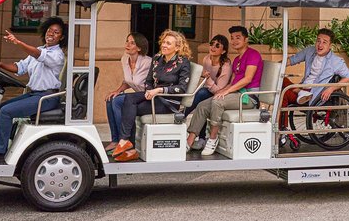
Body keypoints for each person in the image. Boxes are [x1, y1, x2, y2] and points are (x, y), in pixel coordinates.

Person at [0, 16, 67, 164]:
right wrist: (0, 65)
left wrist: (17, 42)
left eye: (56, 32)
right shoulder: (40, 50)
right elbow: (19, 67)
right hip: (34, 94)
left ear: (61, 37)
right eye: (49, 31)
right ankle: (5, 145)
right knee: (1, 107)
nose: (51, 34)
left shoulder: (57, 55)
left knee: (6, 112)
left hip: (47, 98)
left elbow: (38, 55)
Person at [112, 30, 193, 162]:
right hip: (153, 97)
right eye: (164, 42)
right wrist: (149, 91)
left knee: (129, 109)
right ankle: (125, 142)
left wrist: (158, 90)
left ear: (177, 47)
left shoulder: (183, 62)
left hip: (168, 102)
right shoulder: (157, 59)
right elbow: (148, 81)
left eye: (168, 43)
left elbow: (181, 88)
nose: (164, 45)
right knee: (128, 98)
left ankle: (127, 144)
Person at [187, 25, 264, 156]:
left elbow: (247, 79)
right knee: (202, 105)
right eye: (232, 38)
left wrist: (226, 92)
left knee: (218, 102)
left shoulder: (253, 54)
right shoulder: (236, 60)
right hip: (236, 94)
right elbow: (232, 82)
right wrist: (222, 91)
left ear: (246, 39)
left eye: (238, 38)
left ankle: (212, 138)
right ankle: (189, 142)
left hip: (249, 96)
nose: (234, 41)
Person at [281, 28, 349, 125]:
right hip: (303, 89)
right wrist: (275, 66)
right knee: (282, 81)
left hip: (314, 94)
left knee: (283, 95)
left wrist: (331, 89)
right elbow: (292, 60)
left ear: (330, 45)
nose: (320, 45)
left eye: (324, 42)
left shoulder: (336, 61)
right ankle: (299, 92)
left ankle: (283, 130)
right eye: (318, 41)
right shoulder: (310, 51)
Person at [103, 32, 151, 154]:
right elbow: (128, 81)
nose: (127, 44)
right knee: (111, 99)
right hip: (135, 96)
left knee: (118, 102)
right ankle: (115, 140)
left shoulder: (148, 63)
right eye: (127, 41)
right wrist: (117, 91)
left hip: (147, 96)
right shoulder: (124, 59)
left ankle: (124, 140)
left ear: (139, 48)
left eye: (132, 43)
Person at [183, 34, 231, 120]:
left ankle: (183, 114)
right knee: (200, 94)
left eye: (217, 46)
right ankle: (200, 132)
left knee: (202, 93)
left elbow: (219, 91)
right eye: (212, 44)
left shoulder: (226, 67)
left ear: (223, 51)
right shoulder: (207, 59)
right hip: (208, 90)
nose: (213, 47)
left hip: (220, 94)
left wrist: (208, 79)